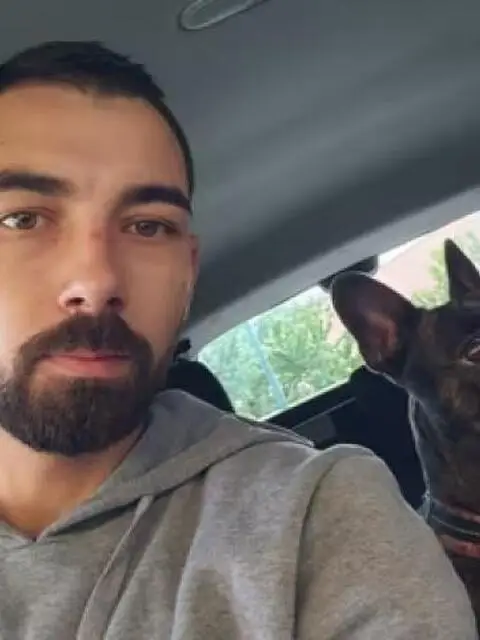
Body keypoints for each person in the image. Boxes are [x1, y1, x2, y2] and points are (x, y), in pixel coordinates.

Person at [0, 41, 474, 640]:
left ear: (188, 270)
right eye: (22, 219)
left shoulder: (317, 517)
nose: (95, 281)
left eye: (149, 226)